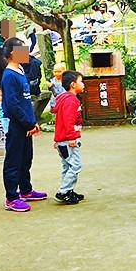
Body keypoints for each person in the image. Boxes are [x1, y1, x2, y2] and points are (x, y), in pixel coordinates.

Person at [0, 37, 46, 211]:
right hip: (16, 124)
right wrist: (27, 123)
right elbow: (12, 105)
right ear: (13, 53)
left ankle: (25, 190)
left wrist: (32, 122)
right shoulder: (9, 75)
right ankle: (11, 197)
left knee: (26, 158)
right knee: (14, 160)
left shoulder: (20, 71)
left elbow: (25, 101)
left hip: (26, 123)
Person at [53, 70, 86, 205]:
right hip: (67, 140)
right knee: (76, 165)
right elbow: (68, 120)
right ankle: (63, 191)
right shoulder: (71, 100)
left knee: (67, 166)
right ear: (73, 84)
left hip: (63, 140)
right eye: (81, 81)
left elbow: (60, 121)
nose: (83, 84)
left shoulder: (64, 98)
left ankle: (69, 190)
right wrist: (72, 137)